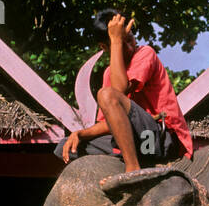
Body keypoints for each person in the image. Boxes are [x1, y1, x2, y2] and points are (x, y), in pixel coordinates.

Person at [56, 10, 193, 171]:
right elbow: (110, 123)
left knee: (107, 95)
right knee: (65, 146)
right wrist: (80, 134)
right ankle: (126, 160)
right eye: (122, 43)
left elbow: (118, 91)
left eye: (130, 39)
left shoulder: (144, 53)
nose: (129, 46)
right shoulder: (109, 73)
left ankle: (132, 168)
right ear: (103, 47)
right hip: (135, 143)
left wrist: (116, 41)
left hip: (156, 139)